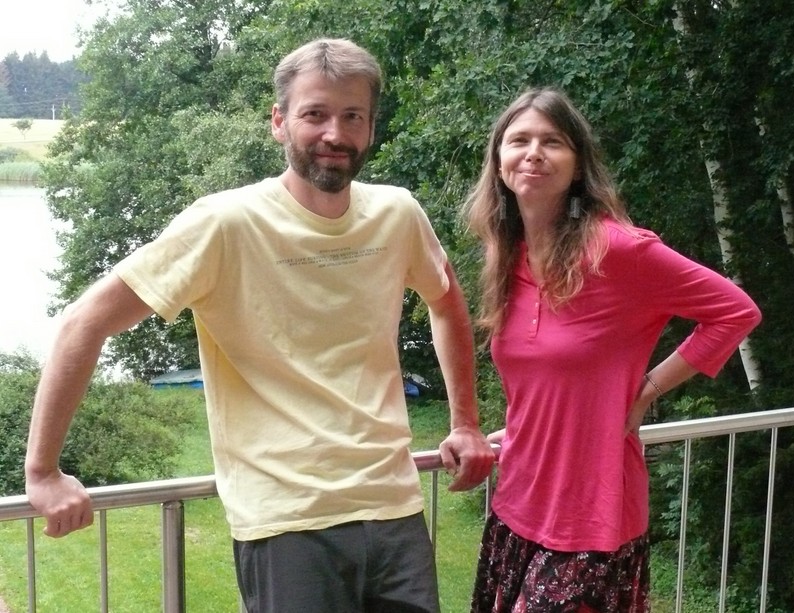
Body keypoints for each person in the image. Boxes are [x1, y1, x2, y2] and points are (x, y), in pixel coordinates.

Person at [24, 38, 495, 613]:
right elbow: (83, 323)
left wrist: (466, 424)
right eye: (315, 114)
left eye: (353, 116)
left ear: (371, 128)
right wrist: (42, 471)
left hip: (395, 509)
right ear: (278, 122)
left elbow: (446, 301)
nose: (335, 133)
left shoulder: (397, 213)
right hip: (287, 524)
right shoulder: (225, 223)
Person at [463, 87, 761, 612]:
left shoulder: (618, 249)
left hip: (591, 518)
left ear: (578, 165)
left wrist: (646, 391)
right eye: (519, 140)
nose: (533, 153)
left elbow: (735, 311)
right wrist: (533, 426)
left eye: (552, 141)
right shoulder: (508, 256)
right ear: (499, 161)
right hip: (519, 502)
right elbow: (549, 378)